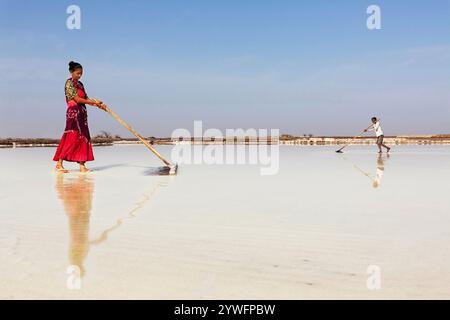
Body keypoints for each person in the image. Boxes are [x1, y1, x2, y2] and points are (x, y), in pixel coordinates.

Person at [53, 61, 107, 173]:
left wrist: (99, 105)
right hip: (74, 113)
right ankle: (59, 163)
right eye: (77, 73)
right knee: (72, 136)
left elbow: (86, 98)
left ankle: (82, 165)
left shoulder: (81, 84)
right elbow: (77, 99)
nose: (79, 75)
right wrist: (93, 103)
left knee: (84, 137)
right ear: (71, 72)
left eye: (81, 73)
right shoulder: (69, 83)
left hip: (82, 113)